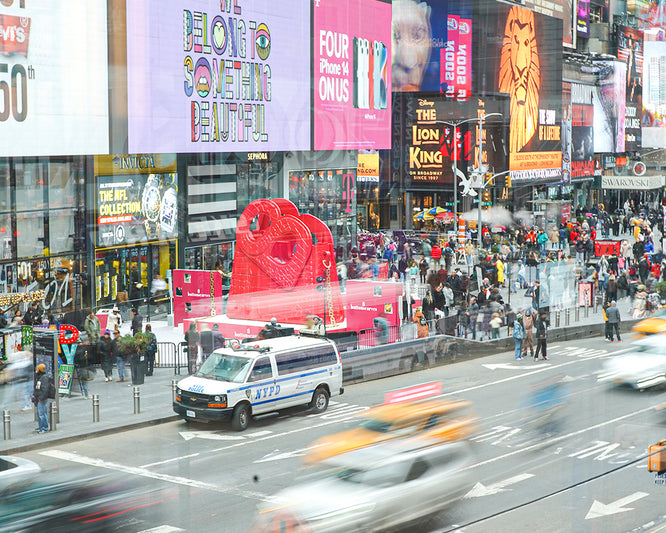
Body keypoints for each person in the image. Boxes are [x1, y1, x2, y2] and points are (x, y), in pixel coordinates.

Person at [33, 363, 50, 433]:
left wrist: (41, 397)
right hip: (38, 397)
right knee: (39, 413)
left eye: (37, 369)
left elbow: (45, 389)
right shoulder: (39, 377)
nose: (36, 370)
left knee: (42, 413)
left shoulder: (44, 377)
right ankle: (41, 427)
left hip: (41, 398)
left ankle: (44, 427)